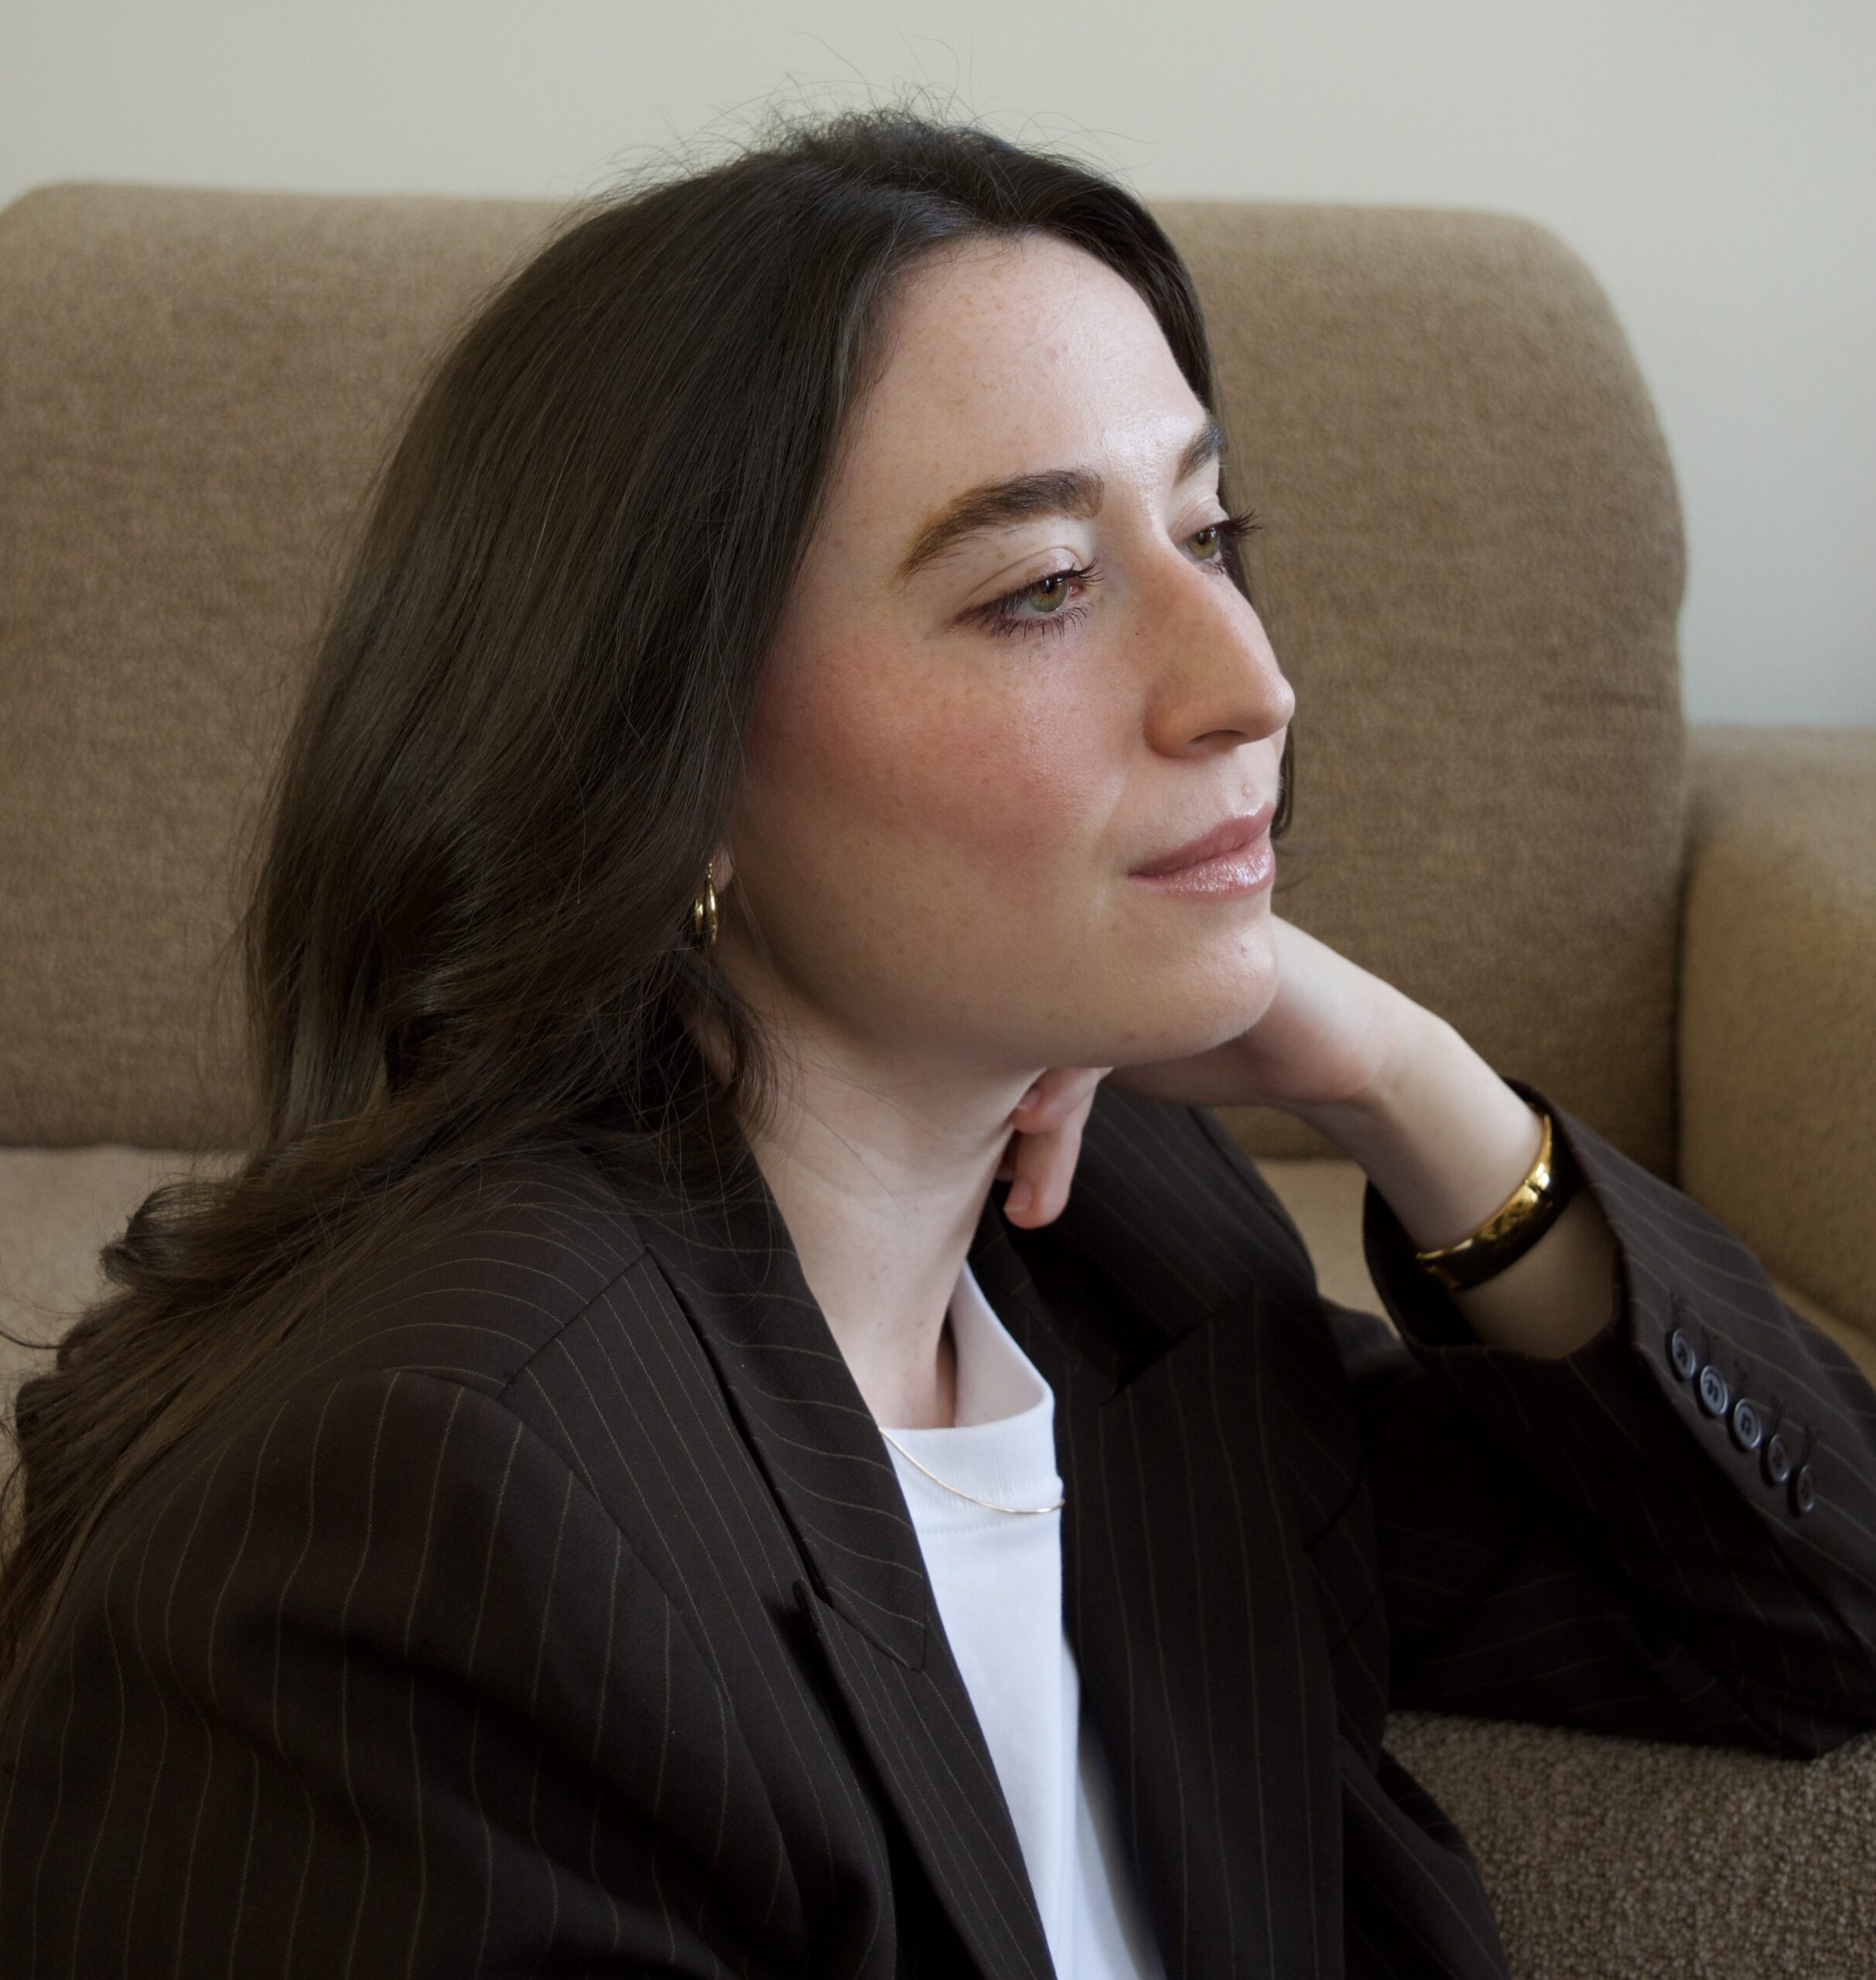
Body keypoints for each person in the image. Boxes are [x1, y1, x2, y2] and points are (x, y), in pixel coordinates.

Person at [2, 108, 1873, 1980]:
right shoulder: (427, 1509)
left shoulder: (1102, 1254)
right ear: (669, 761)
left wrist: (1386, 1065)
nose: (1252, 682)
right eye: (1041, 586)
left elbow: (1805, 1609)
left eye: (1211, 533)